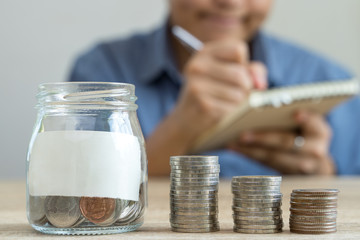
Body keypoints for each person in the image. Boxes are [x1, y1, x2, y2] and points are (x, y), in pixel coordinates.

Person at [68, 0, 360, 177]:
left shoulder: (326, 78)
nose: (231, 2)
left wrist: (321, 174)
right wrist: (181, 127)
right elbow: (82, 198)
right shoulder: (101, 73)